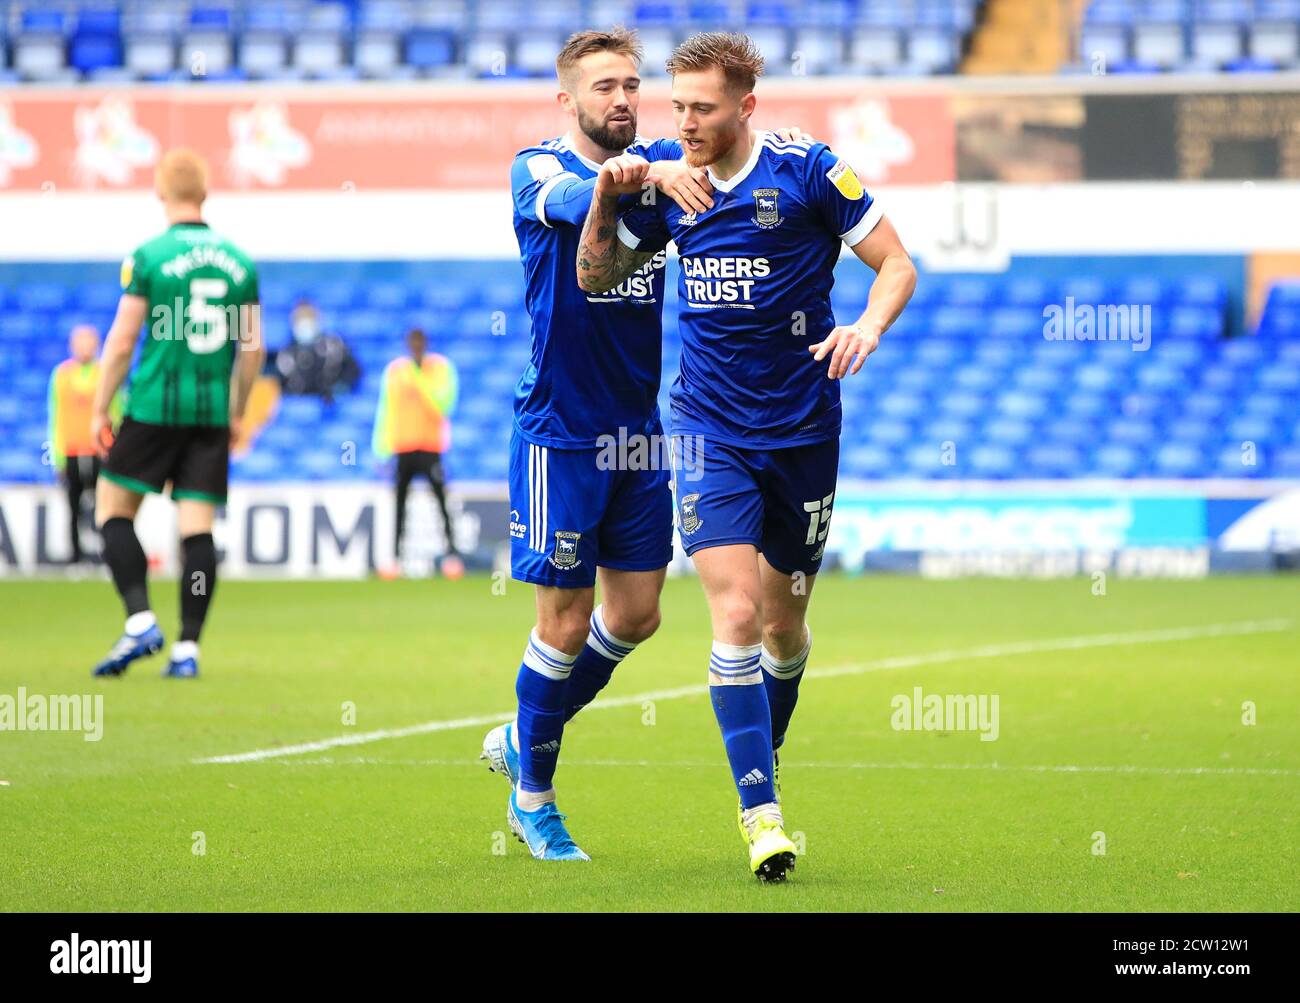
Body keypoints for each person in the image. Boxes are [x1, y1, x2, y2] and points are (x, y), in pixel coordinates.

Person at [577, 32, 917, 881]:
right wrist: (615, 193)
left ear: (746, 107)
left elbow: (897, 264)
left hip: (803, 431)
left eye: (703, 108)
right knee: (733, 617)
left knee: (783, 626)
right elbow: (596, 275)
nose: (685, 123)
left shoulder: (808, 173)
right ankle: (761, 814)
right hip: (706, 429)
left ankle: (762, 753)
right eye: (678, 106)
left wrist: (867, 326)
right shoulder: (665, 176)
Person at [89, 147, 265, 679]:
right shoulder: (241, 262)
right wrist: (236, 410)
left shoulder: (147, 257)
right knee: (197, 531)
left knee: (113, 513)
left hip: (152, 407)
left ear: (161, 193)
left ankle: (140, 619)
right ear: (205, 193)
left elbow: (121, 343)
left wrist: (101, 405)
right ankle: (188, 648)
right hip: (211, 412)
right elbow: (253, 348)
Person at [372, 327, 460, 572]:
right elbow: (386, 410)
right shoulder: (395, 372)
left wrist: (418, 381)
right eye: (413, 343)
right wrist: (380, 449)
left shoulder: (441, 368)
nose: (416, 347)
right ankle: (395, 557)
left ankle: (451, 554)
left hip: (431, 446)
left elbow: (444, 405)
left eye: (420, 342)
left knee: (441, 499)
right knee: (400, 501)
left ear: (425, 344)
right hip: (403, 446)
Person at [48, 324, 105, 564]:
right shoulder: (61, 375)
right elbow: (56, 416)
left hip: (99, 451)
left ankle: (108, 555)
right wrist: (57, 455)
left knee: (105, 508)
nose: (85, 348)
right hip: (71, 451)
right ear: (72, 346)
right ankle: (75, 558)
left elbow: (117, 412)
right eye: (80, 342)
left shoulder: (104, 372)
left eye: (89, 342)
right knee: (73, 508)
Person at [275, 300, 360, 403]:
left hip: (329, 405)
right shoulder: (286, 354)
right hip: (298, 407)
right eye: (300, 318)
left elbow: (353, 372)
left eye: (309, 317)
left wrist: (337, 390)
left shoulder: (335, 347)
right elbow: (279, 386)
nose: (305, 322)